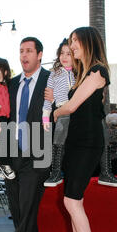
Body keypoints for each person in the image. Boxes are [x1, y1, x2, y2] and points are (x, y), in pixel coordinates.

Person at [53, 27, 108, 232]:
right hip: (75, 142)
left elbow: (72, 106)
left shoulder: (98, 71)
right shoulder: (81, 74)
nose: (72, 45)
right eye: (70, 41)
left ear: (88, 42)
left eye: (75, 41)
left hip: (88, 142)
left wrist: (55, 112)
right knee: (75, 201)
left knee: (71, 201)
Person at [4, 37, 51, 232]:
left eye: (29, 51)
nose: (24, 55)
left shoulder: (51, 80)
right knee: (18, 206)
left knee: (28, 202)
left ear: (39, 54)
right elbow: (3, 118)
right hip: (10, 154)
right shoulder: (11, 84)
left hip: (38, 153)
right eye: (21, 51)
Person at [43, 38, 76, 187]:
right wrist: (45, 118)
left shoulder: (80, 73)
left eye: (68, 54)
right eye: (62, 53)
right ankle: (55, 172)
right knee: (58, 142)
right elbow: (47, 99)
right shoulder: (54, 74)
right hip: (62, 112)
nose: (64, 57)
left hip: (78, 112)